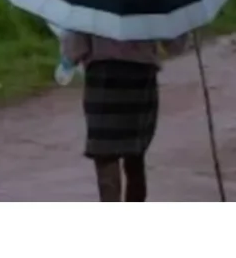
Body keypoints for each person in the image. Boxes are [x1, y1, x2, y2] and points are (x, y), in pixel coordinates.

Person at [60, 30, 181, 202]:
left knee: (104, 154)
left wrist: (68, 59)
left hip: (103, 78)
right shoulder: (150, 1)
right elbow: (174, 44)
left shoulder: (95, 2)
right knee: (135, 155)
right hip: (140, 78)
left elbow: (76, 44)